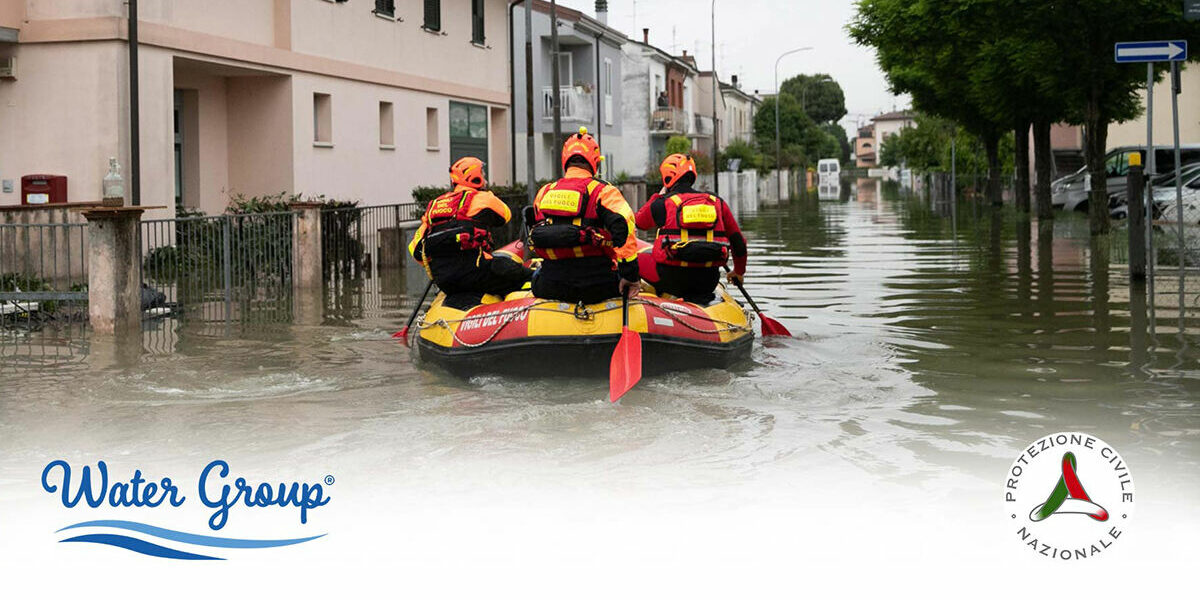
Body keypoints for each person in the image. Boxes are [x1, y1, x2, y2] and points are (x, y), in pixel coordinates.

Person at [529, 127, 640, 304]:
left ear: (565, 159)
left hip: (550, 285)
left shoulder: (545, 191)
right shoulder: (604, 191)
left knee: (534, 274)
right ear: (595, 161)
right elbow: (624, 227)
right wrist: (630, 276)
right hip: (597, 286)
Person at [409, 157, 532, 307]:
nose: (485, 178)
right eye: (482, 173)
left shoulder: (433, 206)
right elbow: (506, 215)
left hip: (445, 282)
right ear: (475, 177)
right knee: (519, 273)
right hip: (476, 275)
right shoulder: (481, 198)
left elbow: (415, 250)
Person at [635, 153, 748, 305]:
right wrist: (738, 272)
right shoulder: (716, 202)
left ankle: (629, 297)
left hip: (671, 280)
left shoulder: (663, 203)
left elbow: (639, 222)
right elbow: (739, 243)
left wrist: (658, 196)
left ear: (667, 177)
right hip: (708, 282)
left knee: (629, 259)